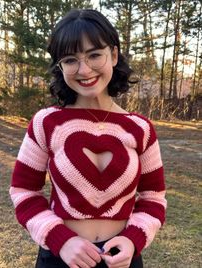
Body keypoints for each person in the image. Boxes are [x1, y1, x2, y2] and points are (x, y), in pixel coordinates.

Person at [10, 9, 167, 268]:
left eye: (94, 55)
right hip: (61, 257)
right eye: (70, 60)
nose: (84, 69)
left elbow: (153, 197)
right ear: (60, 66)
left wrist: (132, 239)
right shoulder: (46, 123)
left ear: (113, 55)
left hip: (123, 259)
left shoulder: (141, 128)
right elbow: (24, 191)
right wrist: (61, 240)